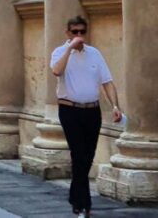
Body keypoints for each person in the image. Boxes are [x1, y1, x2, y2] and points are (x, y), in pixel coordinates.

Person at [50, 15, 121, 218]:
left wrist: (115, 105)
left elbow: (107, 81)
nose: (79, 36)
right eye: (75, 32)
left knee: (87, 157)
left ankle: (76, 197)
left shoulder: (95, 54)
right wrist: (70, 48)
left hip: (92, 110)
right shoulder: (59, 52)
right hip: (69, 110)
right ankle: (83, 204)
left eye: (82, 32)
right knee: (78, 154)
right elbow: (56, 71)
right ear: (68, 33)